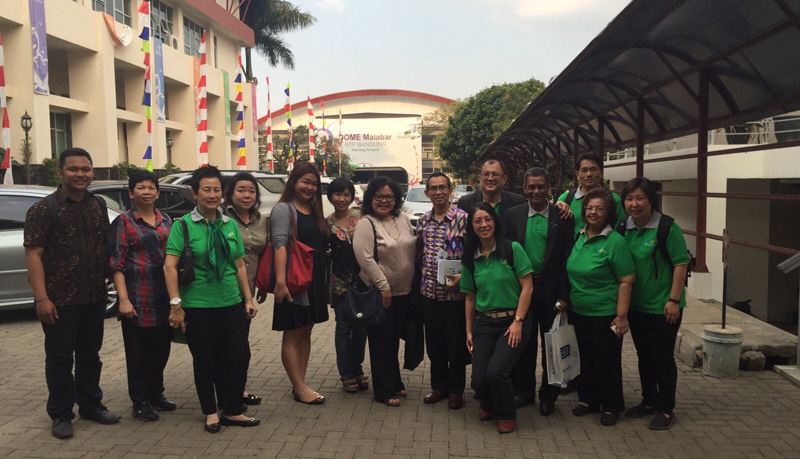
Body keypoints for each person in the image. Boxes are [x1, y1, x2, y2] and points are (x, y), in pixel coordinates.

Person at [24, 148, 121, 439]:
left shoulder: (98, 205)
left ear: (93, 172)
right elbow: (33, 255)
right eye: (73, 169)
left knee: (91, 355)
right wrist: (42, 298)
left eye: (86, 169)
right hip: (59, 300)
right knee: (60, 359)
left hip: (94, 297)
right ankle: (61, 414)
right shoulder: (44, 209)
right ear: (61, 173)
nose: (80, 174)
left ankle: (91, 405)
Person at [164, 166, 259, 433]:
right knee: (205, 361)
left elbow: (240, 265)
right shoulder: (182, 226)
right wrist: (176, 304)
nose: (213, 194)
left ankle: (232, 409)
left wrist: (248, 299)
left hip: (230, 303)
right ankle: (210, 412)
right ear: (195, 193)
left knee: (238, 356)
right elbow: (169, 267)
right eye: (206, 189)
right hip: (198, 305)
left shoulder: (229, 225)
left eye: (217, 190)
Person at [504, 167, 574, 416]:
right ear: (524, 189)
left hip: (550, 290)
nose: (536, 191)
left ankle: (549, 396)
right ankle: (524, 393)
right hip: (522, 289)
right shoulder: (512, 216)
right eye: (531, 187)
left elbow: (568, 258)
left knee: (551, 345)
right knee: (522, 343)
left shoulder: (562, 216)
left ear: (548, 188)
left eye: (541, 186)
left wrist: (564, 295)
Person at [620, 177, 689, 430]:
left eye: (640, 198)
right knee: (644, 356)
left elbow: (681, 264)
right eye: (629, 199)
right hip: (636, 307)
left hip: (663, 307)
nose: (634, 204)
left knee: (662, 357)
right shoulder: (623, 227)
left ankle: (666, 408)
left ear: (651, 200)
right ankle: (648, 400)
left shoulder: (667, 228)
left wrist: (673, 300)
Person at [107, 171, 175, 422]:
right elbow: (116, 263)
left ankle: (156, 393)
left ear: (158, 192)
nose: (146, 192)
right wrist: (123, 300)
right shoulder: (123, 222)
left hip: (163, 298)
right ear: (131, 193)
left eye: (150, 187)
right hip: (137, 298)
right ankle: (140, 400)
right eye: (140, 187)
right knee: (138, 354)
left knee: (161, 349)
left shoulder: (166, 219)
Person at [461, 203, 534, 434]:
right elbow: (470, 298)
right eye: (478, 221)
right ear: (471, 227)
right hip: (484, 322)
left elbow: (528, 287)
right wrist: (469, 330)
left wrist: (518, 322)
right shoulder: (470, 258)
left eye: (488, 219)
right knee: (479, 380)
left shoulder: (512, 249)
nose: (484, 225)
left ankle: (506, 413)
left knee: (497, 373)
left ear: (495, 221)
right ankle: (489, 405)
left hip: (513, 321)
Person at [566, 188, 635, 427]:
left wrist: (621, 316)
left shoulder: (615, 242)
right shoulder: (579, 235)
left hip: (605, 314)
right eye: (589, 208)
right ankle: (589, 400)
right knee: (586, 358)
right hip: (579, 311)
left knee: (606, 361)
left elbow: (626, 280)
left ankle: (612, 405)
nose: (593, 212)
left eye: (599, 208)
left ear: (609, 213)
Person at [267, 162, 330, 405]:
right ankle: (299, 386)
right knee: (293, 333)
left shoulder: (312, 209)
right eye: (305, 182)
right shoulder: (285, 209)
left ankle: (300, 383)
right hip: (293, 281)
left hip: (312, 281)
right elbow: (279, 244)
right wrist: (281, 283)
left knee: (306, 331)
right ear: (293, 181)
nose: (310, 187)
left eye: (314, 184)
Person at [353, 177, 416, 407]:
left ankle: (395, 382)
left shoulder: (403, 218)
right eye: (379, 196)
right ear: (370, 198)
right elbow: (365, 260)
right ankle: (384, 390)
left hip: (405, 293)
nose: (384, 201)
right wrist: (384, 287)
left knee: (394, 342)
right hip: (381, 295)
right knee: (381, 343)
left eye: (389, 197)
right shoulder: (366, 224)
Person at [416, 172, 469, 410]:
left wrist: (465, 278)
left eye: (442, 188)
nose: (438, 192)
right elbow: (420, 253)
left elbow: (473, 254)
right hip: (429, 294)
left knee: (456, 345)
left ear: (450, 191)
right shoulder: (423, 220)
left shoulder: (463, 219)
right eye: (433, 188)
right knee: (435, 344)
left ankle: (457, 390)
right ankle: (439, 387)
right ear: (427, 193)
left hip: (455, 295)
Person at [223, 172, 267, 407]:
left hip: (247, 294)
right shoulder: (221, 217)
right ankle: (227, 393)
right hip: (224, 292)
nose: (246, 195)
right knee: (229, 347)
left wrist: (261, 282)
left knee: (240, 346)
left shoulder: (261, 220)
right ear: (230, 194)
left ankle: (236, 389)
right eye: (241, 190)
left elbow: (261, 254)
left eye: (251, 190)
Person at [325, 177, 369, 393]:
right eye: (337, 194)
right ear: (330, 197)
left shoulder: (360, 216)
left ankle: (357, 368)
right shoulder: (326, 224)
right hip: (339, 284)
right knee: (343, 329)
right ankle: (346, 373)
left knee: (361, 328)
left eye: (346, 194)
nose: (342, 199)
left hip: (362, 282)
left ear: (352, 196)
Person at [556, 153, 625, 237]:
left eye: (593, 169)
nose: (589, 174)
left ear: (601, 172)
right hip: (572, 249)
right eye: (584, 170)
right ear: (577, 174)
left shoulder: (614, 199)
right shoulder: (565, 199)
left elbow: (621, 230)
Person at [457, 159, 525, 220]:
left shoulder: (517, 202)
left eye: (495, 174)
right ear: (480, 178)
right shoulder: (465, 203)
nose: (490, 178)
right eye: (486, 174)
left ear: (504, 179)